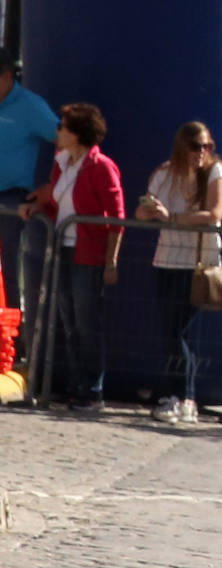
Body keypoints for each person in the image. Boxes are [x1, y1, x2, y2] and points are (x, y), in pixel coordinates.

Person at [22, 103, 123, 410]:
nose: (58, 132)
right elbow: (57, 204)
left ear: (77, 134)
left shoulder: (102, 166)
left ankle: (93, 389)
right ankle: (76, 384)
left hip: (88, 253)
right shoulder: (61, 162)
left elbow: (117, 216)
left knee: (86, 321)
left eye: (63, 127)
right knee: (68, 320)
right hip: (62, 248)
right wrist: (38, 207)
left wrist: (111, 261)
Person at [135, 121, 222, 424]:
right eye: (195, 146)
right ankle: (181, 396)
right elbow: (141, 211)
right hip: (167, 258)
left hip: (199, 261)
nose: (202, 152)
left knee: (177, 330)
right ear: (181, 147)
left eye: (207, 146)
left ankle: (183, 396)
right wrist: (149, 211)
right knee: (170, 330)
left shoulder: (216, 173)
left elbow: (215, 214)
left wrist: (172, 217)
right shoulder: (164, 174)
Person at [0, 48, 59, 352]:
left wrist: (54, 186)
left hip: (12, 198)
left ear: (7, 76)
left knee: (10, 267)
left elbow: (66, 141)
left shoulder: (31, 106)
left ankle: (13, 342)